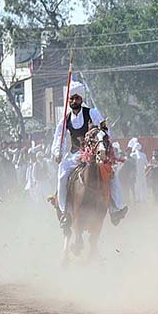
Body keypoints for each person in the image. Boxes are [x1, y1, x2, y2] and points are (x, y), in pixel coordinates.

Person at [51, 81, 127, 227]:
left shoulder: (92, 113)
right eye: (71, 98)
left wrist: (104, 147)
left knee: (111, 175)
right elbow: (58, 139)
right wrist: (57, 152)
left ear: (82, 99)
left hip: (94, 154)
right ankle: (65, 213)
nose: (74, 101)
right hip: (74, 156)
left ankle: (114, 209)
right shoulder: (65, 119)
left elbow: (105, 131)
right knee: (62, 176)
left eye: (77, 98)